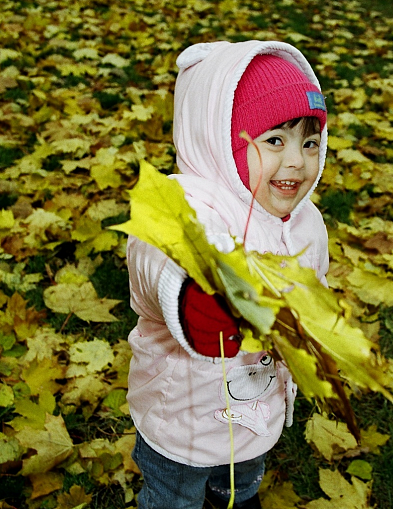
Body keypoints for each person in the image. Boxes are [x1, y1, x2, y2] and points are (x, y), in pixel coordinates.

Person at [127, 40, 329, 509]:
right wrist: (190, 293)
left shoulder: (306, 223)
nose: (297, 160)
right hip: (182, 420)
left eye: (310, 142)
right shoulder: (189, 207)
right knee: (174, 497)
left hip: (255, 410)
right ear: (221, 142)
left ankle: (234, 497)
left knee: (241, 475)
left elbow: (313, 287)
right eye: (275, 140)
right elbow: (156, 256)